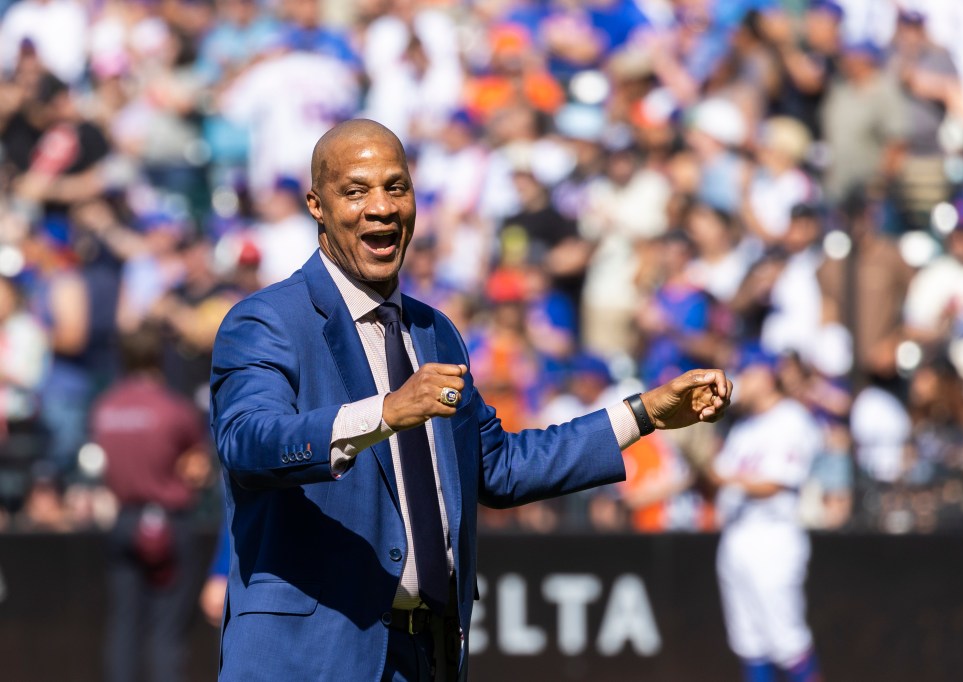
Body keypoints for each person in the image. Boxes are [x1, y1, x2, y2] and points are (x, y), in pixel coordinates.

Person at [209, 119, 733, 681]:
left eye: (396, 186)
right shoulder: (267, 320)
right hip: (307, 657)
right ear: (316, 204)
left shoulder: (436, 332)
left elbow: (498, 468)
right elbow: (248, 443)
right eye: (356, 190)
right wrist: (384, 414)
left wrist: (644, 414)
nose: (382, 207)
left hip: (424, 658)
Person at [688, 347, 823, 682]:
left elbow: (778, 482)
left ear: (764, 376)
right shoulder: (743, 427)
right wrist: (698, 463)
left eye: (743, 375)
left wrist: (723, 477)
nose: (737, 385)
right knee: (750, 644)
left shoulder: (792, 418)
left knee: (787, 641)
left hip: (772, 536)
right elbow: (714, 483)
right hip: (736, 536)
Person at [94, 323, 210, 682]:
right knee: (165, 630)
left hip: (123, 520)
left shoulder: (105, 407)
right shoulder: (173, 408)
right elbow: (198, 468)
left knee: (124, 625)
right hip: (169, 523)